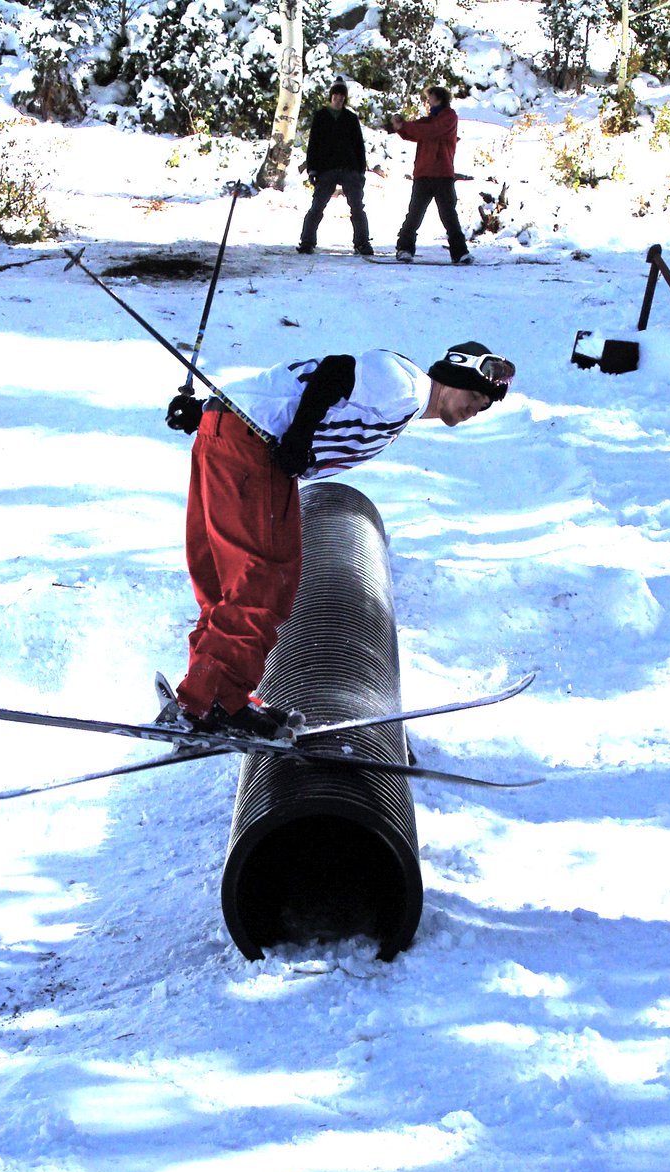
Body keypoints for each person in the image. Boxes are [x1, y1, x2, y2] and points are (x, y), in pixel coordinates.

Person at [160, 342, 515, 738]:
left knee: (225, 582)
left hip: (229, 433)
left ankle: (205, 695)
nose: (476, 408)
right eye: (474, 395)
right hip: (250, 448)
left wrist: (207, 412)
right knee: (264, 580)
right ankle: (216, 700)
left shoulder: (402, 401)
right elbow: (335, 372)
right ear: (450, 379)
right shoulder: (406, 384)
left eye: (484, 406)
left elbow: (291, 387)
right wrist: (299, 434)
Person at [391, 85, 471, 265]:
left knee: (449, 215)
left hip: (442, 174)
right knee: (415, 214)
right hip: (423, 174)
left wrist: (405, 126)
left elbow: (429, 131)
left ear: (439, 99)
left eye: (430, 98)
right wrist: (401, 127)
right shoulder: (429, 120)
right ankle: (404, 248)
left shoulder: (449, 117)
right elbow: (413, 132)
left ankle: (459, 253)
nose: (428, 102)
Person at [297, 80, 373, 257]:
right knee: (317, 206)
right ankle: (307, 241)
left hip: (350, 167)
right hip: (326, 168)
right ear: (331, 96)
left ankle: (362, 242)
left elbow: (358, 146)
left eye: (341, 96)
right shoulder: (321, 116)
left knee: (357, 206)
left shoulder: (350, 118)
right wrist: (312, 169)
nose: (338, 99)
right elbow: (314, 144)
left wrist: (361, 170)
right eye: (336, 96)